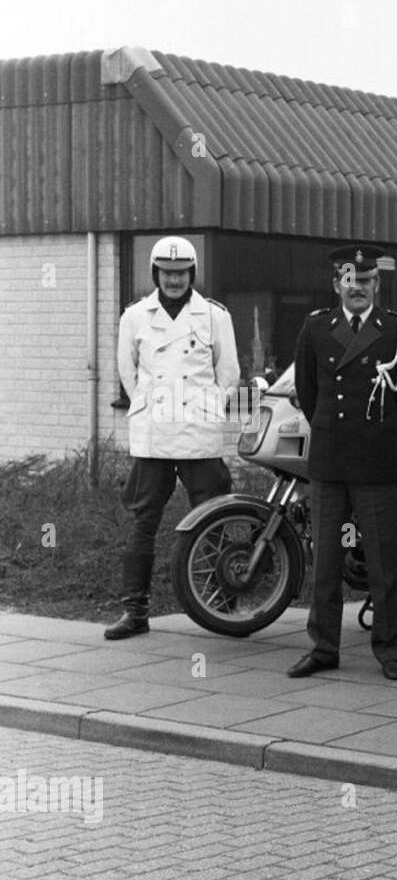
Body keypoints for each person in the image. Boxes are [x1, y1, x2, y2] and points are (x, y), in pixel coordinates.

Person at [289, 244, 397, 681]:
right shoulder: (316, 327)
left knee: (383, 563)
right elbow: (309, 391)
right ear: (336, 284)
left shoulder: (396, 330)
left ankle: (390, 650)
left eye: (365, 280)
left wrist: (383, 437)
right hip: (329, 462)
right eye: (350, 280)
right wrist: (332, 429)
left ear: (377, 285)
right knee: (326, 561)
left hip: (376, 462)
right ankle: (323, 647)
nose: (357, 287)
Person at [106, 236, 239, 640]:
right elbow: (127, 373)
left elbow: (229, 374)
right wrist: (150, 403)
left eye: (181, 273)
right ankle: (135, 612)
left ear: (192, 274)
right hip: (154, 436)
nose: (174, 280)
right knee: (143, 522)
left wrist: (205, 406)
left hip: (199, 434)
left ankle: (223, 604)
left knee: (212, 519)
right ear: (156, 274)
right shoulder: (135, 316)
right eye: (167, 272)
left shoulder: (215, 316)